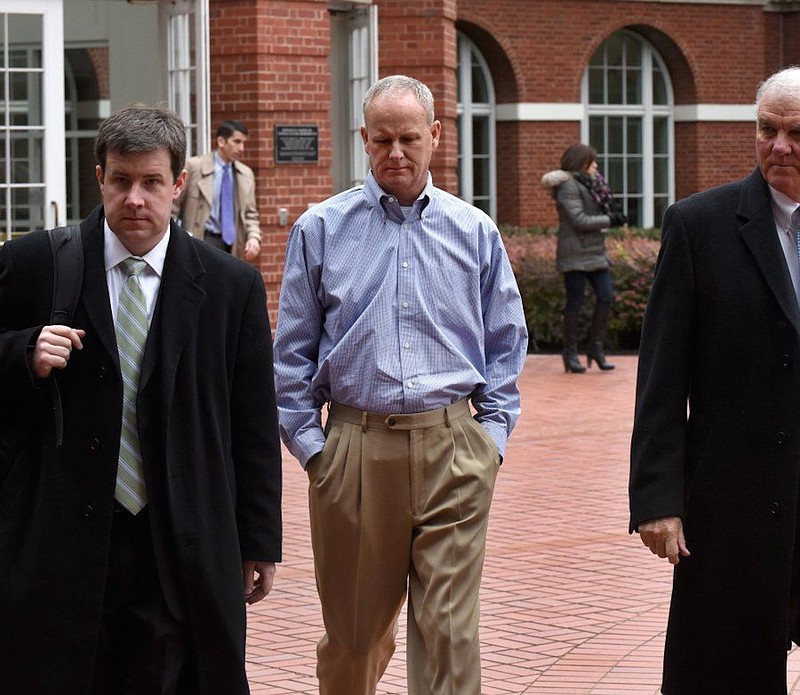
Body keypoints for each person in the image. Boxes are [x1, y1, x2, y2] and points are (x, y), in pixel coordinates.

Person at [0, 104, 282, 694]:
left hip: (180, 544)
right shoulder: (33, 266)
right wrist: (22, 354)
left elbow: (252, 423)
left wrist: (258, 538)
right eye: (121, 180)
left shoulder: (230, 288)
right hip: (61, 544)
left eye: (152, 182)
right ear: (98, 177)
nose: (135, 199)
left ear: (178, 184)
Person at [273, 75, 527, 695]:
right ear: (364, 138)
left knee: (449, 633)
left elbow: (506, 342)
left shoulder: (474, 231)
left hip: (455, 447)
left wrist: (488, 439)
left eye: (409, 138)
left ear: (435, 136)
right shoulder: (321, 229)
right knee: (355, 638)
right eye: (382, 139)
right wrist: (316, 451)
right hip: (355, 451)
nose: (396, 152)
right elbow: (291, 357)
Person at [629, 65, 800, 694]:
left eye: (795, 133)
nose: (778, 146)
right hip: (731, 507)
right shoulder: (698, 226)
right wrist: (657, 499)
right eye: (767, 130)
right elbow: (662, 375)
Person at [541, 144, 627, 373]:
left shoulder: (591, 184)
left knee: (606, 297)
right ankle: (570, 353)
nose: (596, 165)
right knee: (575, 303)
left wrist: (610, 213)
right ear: (581, 163)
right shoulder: (568, 186)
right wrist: (610, 220)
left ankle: (595, 349)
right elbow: (578, 220)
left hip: (595, 253)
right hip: (575, 254)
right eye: (592, 161)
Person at [174, 119, 262, 261]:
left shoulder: (245, 174)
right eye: (237, 141)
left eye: (243, 143)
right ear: (221, 141)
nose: (242, 148)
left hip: (233, 246)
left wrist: (254, 237)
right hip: (201, 239)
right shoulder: (195, 167)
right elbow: (173, 207)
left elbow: (251, 214)